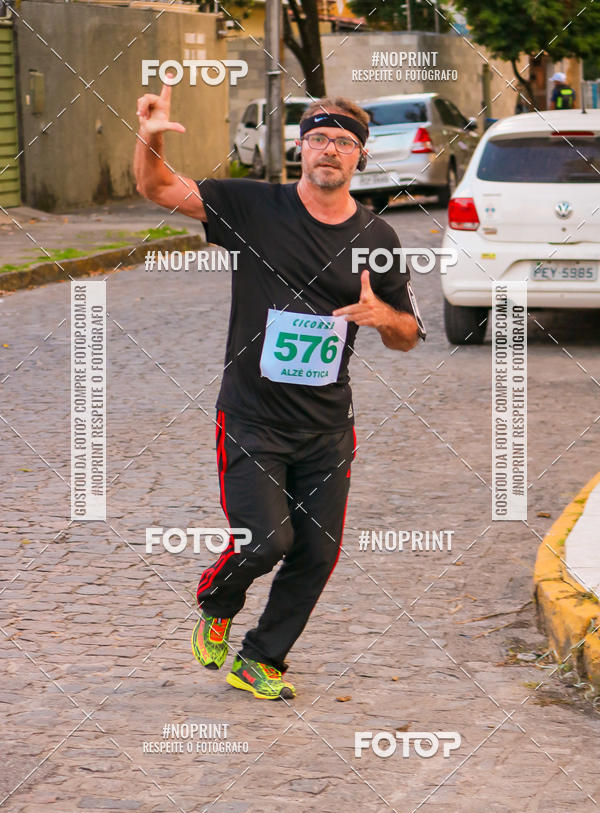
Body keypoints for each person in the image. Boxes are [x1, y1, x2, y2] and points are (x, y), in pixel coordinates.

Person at [134, 83, 426, 701]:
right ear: (300, 146)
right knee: (267, 540)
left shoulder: (378, 239)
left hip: (326, 426)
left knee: (317, 553)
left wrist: (385, 319)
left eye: (344, 143)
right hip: (251, 417)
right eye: (320, 138)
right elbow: (159, 188)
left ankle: (262, 657)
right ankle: (217, 602)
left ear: (359, 158)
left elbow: (409, 335)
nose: (331, 150)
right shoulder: (253, 206)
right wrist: (151, 137)